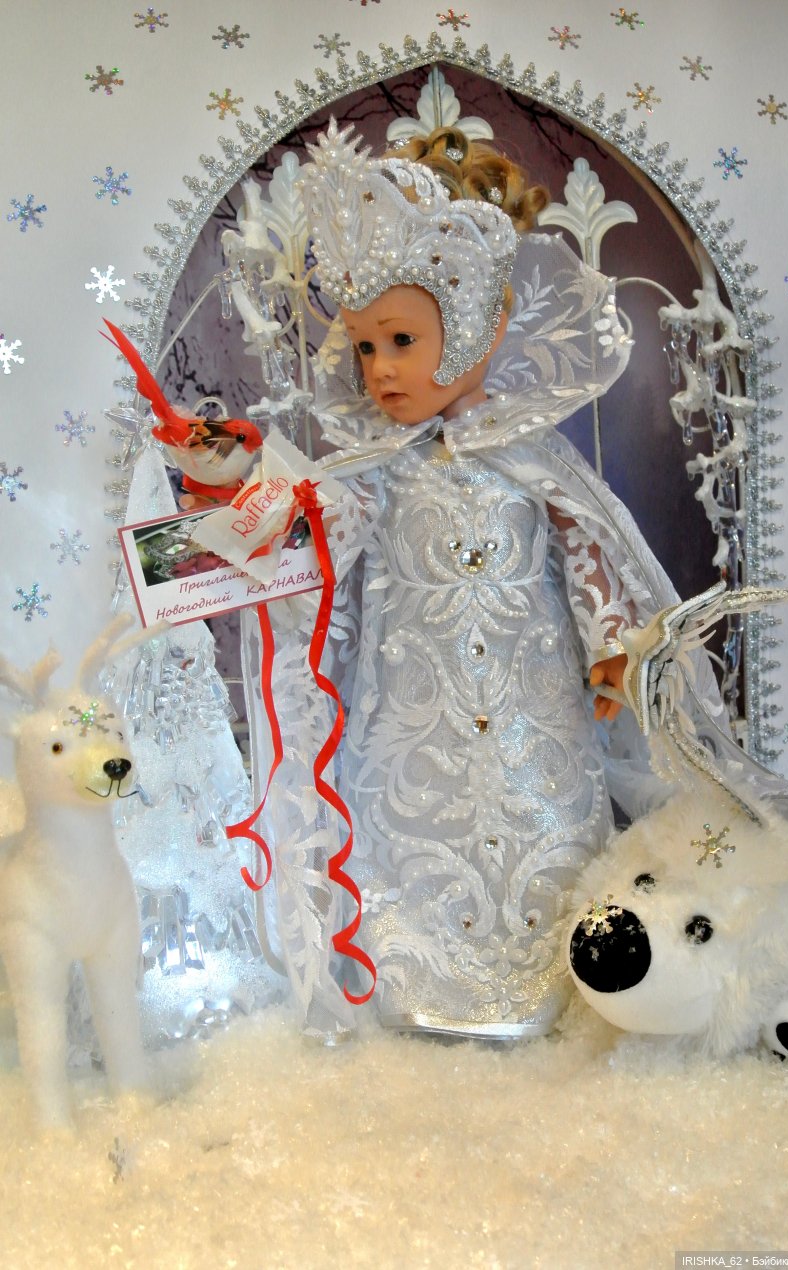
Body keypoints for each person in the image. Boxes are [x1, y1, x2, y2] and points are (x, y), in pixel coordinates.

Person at [150, 120, 721, 1042]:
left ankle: (552, 981)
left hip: (535, 709)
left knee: (547, 832)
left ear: (480, 326)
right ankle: (421, 983)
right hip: (409, 711)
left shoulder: (532, 456)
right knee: (413, 835)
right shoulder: (372, 466)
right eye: (365, 348)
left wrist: (614, 644)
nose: (380, 371)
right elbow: (313, 543)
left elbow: (589, 544)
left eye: (403, 340)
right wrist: (236, 492)